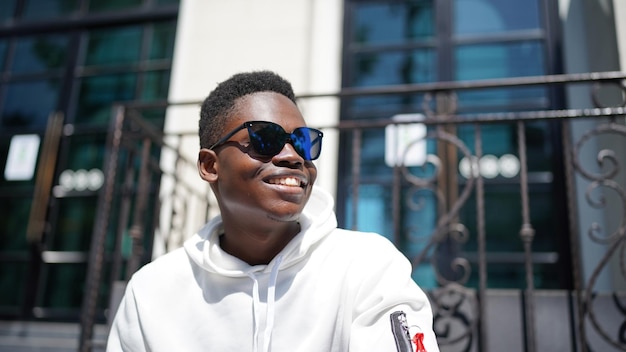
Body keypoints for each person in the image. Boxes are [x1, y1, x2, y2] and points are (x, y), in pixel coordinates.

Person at [106, 70, 440, 352]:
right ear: (210, 165)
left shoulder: (368, 265)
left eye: (304, 142)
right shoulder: (151, 291)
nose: (294, 156)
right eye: (266, 138)